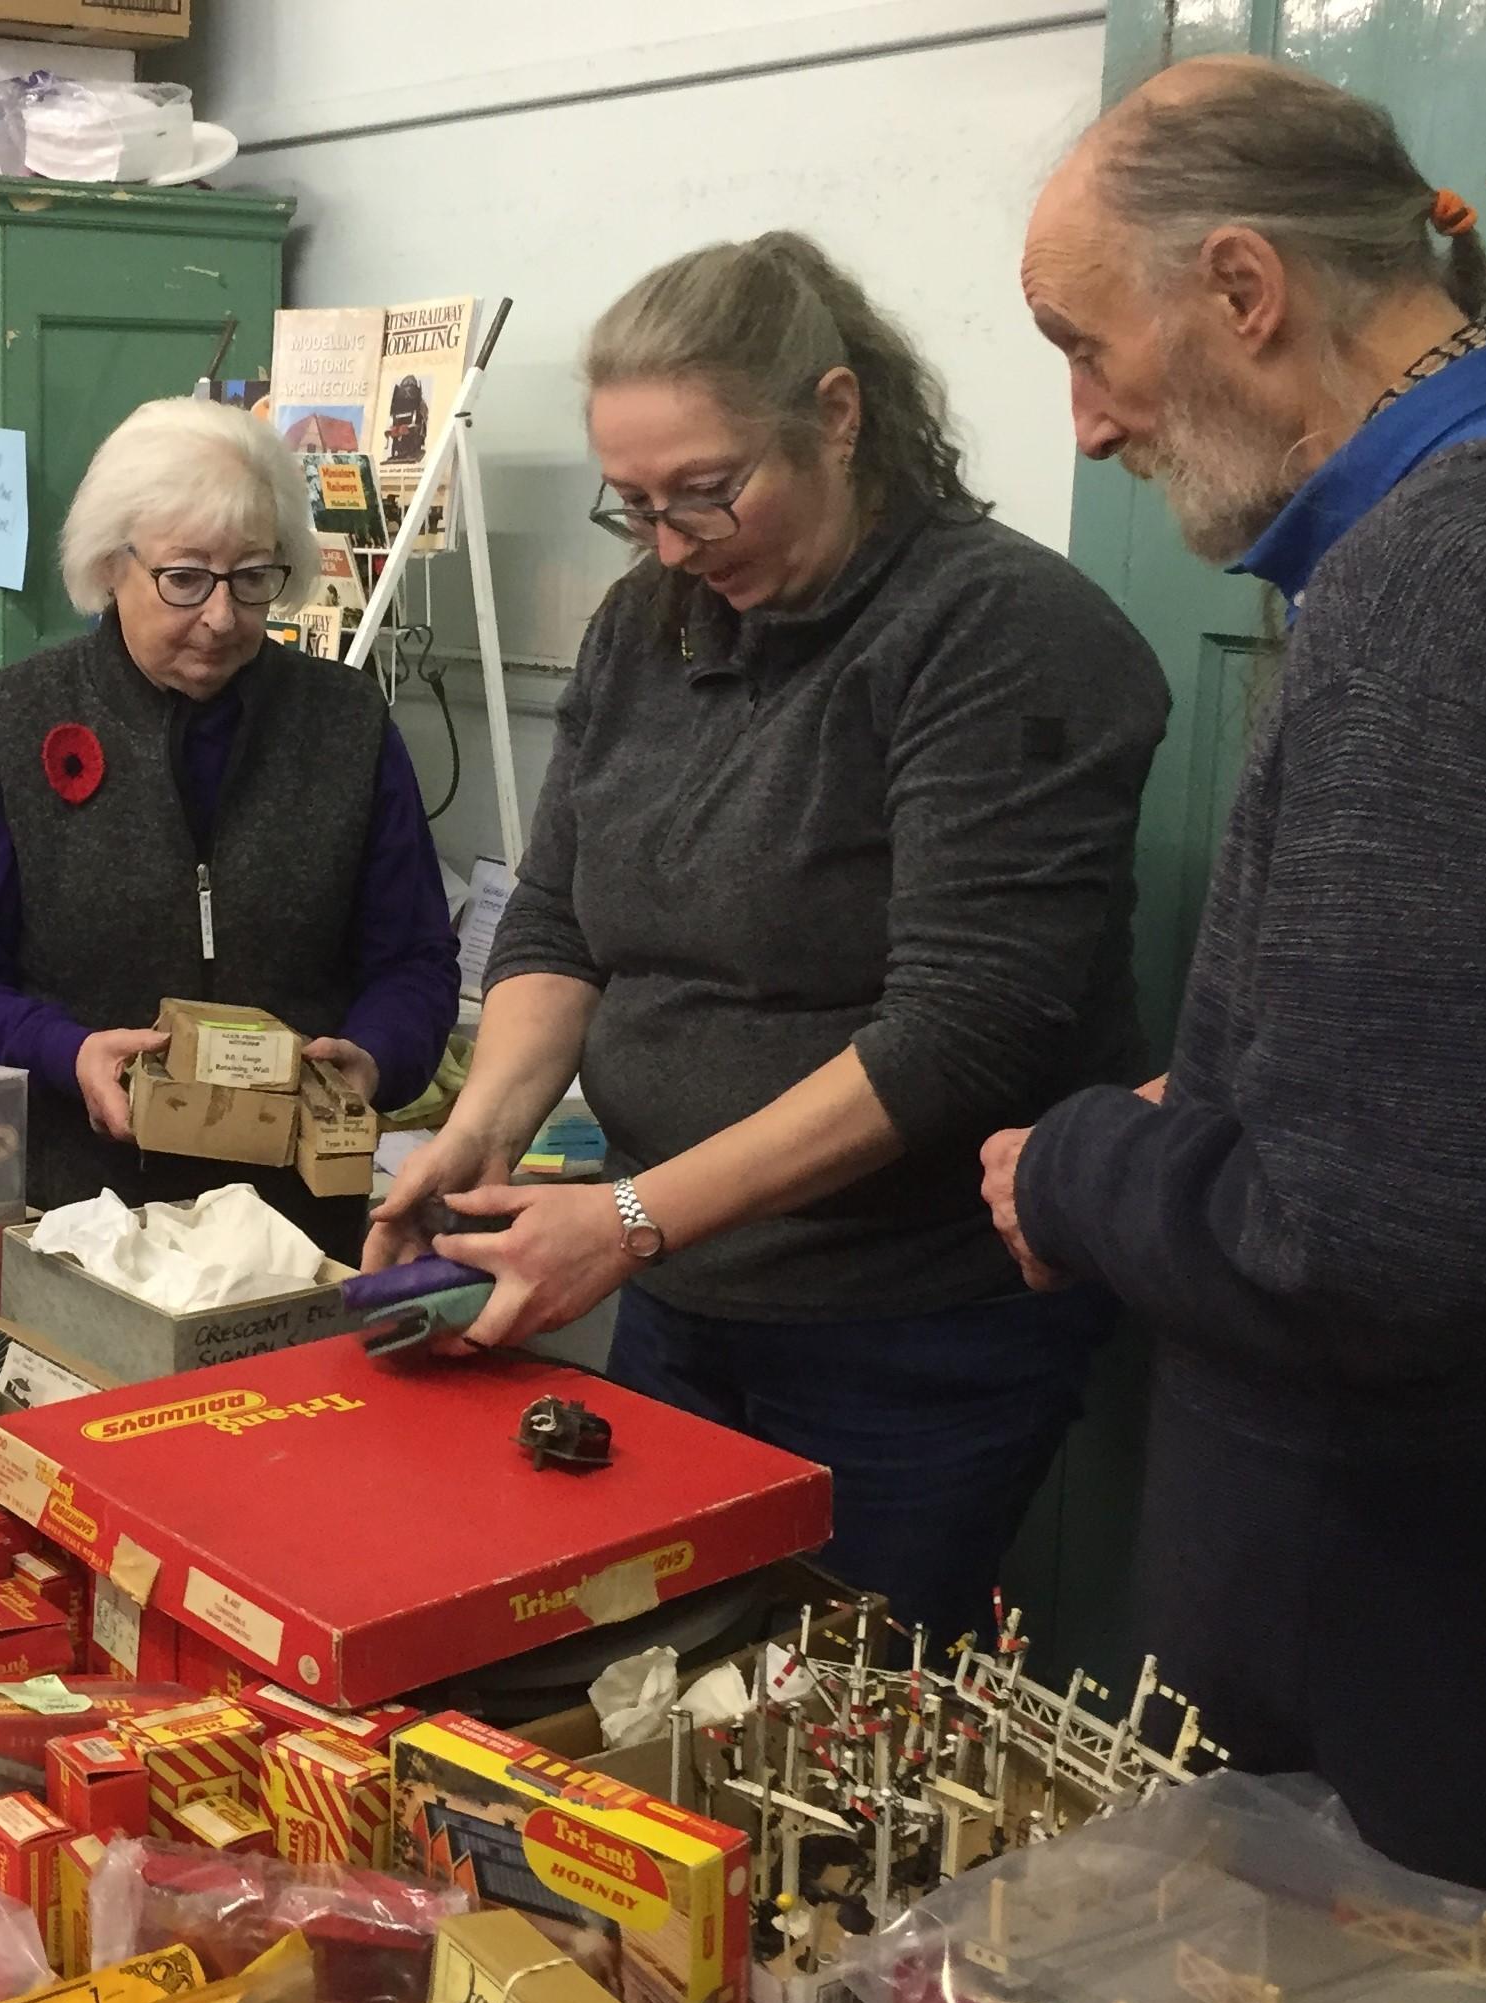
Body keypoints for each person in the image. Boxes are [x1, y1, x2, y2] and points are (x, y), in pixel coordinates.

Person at [982, 58, 1486, 1903]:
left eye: (1083, 346)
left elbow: (1399, 1248)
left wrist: (1078, 1168)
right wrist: (1251, 1093)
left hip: (1404, 1694)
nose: (1086, 425)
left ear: (1241, 289)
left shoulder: (1425, 599)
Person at [367, 232, 1169, 1649]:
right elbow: (558, 914)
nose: (674, 544)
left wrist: (627, 1216)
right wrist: (483, 1129)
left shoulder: (1002, 635)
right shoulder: (648, 621)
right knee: (649, 1689)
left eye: (706, 492)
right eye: (634, 507)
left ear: (836, 415)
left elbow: (961, 1033)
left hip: (907, 1328)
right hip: (681, 1291)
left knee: (828, 1700)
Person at [0, 398, 458, 1257]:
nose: (223, 617)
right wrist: (68, 1051)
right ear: (110, 564)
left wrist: (376, 1056)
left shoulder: (347, 729)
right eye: (185, 579)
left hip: (295, 1232)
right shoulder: (13, 723)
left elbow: (415, 962)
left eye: (252, 578)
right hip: (80, 1221)